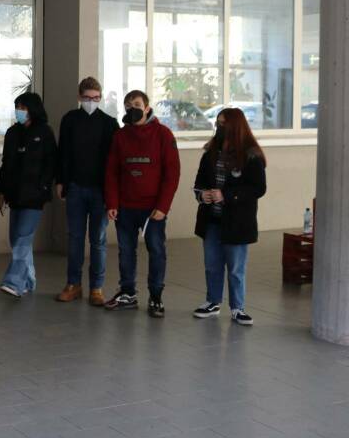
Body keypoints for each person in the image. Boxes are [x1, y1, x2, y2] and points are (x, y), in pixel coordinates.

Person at [104, 90, 180, 317]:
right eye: (128, 106)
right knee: (126, 251)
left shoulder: (164, 135)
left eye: (137, 104)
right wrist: (112, 203)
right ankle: (128, 293)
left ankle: (156, 297)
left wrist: (163, 207)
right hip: (125, 208)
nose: (132, 109)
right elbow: (112, 172)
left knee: (156, 250)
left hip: (152, 210)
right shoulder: (120, 136)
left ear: (147, 107)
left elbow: (172, 174)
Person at [192, 108, 266, 326]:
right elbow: (199, 182)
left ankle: (237, 307)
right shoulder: (210, 152)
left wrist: (227, 195)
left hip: (237, 222)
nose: (219, 127)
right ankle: (213, 302)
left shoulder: (251, 154)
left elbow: (258, 188)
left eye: (224, 123)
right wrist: (201, 195)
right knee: (212, 265)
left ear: (236, 126)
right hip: (211, 220)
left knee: (235, 269)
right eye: (218, 123)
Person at [54, 77, 118, 306]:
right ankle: (73, 284)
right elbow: (63, 153)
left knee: (99, 241)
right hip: (76, 188)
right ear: (79, 97)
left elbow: (115, 161)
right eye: (87, 98)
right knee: (75, 239)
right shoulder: (70, 120)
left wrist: (113, 195)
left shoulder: (110, 123)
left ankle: (97, 288)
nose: (91, 101)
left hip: (101, 191)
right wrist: (61, 181)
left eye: (95, 98)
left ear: (100, 98)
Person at [0, 92, 57, 298]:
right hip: (15, 194)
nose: (19, 112)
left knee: (23, 237)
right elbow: (6, 164)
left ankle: (13, 282)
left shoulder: (44, 132)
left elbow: (51, 163)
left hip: (35, 196)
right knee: (17, 239)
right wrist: (2, 191)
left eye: (23, 108)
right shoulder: (12, 132)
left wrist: (43, 187)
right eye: (18, 107)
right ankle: (29, 280)